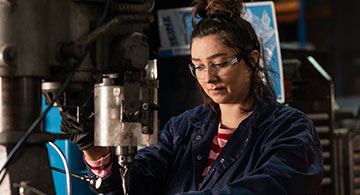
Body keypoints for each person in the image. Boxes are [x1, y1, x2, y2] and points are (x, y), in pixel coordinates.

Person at [60, 0, 324, 194]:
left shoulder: (290, 129)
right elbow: (135, 186)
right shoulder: (183, 128)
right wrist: (95, 151)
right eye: (198, 66)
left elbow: (271, 187)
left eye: (219, 63)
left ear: (251, 60)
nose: (208, 77)